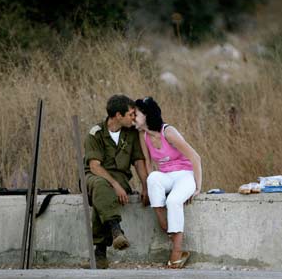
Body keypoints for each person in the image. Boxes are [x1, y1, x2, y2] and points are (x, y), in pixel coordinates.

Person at [134, 96, 202, 269]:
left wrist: (198, 186)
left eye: (136, 114)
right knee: (153, 178)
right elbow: (149, 164)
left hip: (185, 175)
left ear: (147, 115)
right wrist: (153, 188)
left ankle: (177, 253)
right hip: (166, 176)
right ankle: (163, 222)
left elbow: (195, 157)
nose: (133, 117)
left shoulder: (168, 132)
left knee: (173, 201)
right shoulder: (143, 136)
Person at [83, 94, 148, 269]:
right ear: (118, 115)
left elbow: (139, 162)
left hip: (120, 179)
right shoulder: (95, 133)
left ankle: (100, 253)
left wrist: (145, 186)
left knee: (102, 194)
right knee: (100, 185)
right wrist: (115, 185)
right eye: (131, 114)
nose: (134, 118)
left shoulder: (131, 134)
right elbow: (95, 167)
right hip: (93, 177)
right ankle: (115, 228)